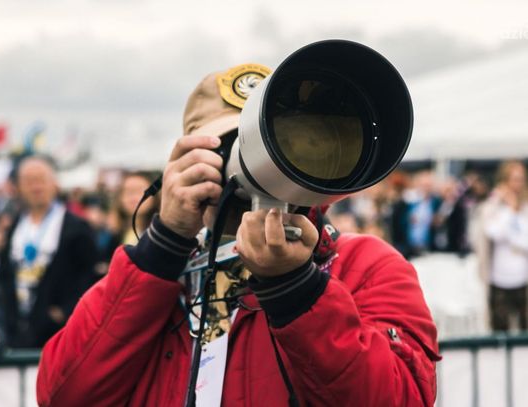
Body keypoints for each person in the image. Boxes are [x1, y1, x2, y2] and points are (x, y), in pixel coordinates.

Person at [37, 64, 440, 406]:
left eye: (273, 140)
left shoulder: (363, 266)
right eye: (230, 143)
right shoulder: (160, 276)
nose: (254, 162)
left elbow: (398, 398)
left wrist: (298, 290)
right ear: (184, 160)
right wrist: (163, 246)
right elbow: (63, 395)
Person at [0, 156, 98, 348]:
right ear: (18, 187)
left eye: (41, 179)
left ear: (54, 183)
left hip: (57, 334)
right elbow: (4, 274)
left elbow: (89, 275)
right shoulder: (15, 225)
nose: (36, 186)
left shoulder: (76, 226)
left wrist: (64, 312)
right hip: (17, 330)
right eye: (29, 181)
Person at [480, 161, 528, 332]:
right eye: (514, 179)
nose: (517, 185)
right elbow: (493, 233)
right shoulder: (493, 207)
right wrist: (510, 210)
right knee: (500, 330)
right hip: (499, 277)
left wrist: (512, 235)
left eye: (521, 179)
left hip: (523, 277)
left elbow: (524, 241)